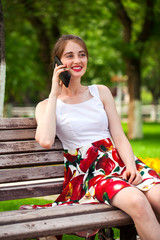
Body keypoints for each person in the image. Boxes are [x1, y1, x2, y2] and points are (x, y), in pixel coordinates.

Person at [29, 35, 160, 240]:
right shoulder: (46, 105)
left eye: (82, 55)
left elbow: (119, 136)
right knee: (137, 201)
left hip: (120, 162)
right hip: (91, 173)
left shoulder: (101, 92)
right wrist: (54, 92)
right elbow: (45, 140)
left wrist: (131, 166)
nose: (77, 61)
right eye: (69, 56)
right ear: (57, 63)